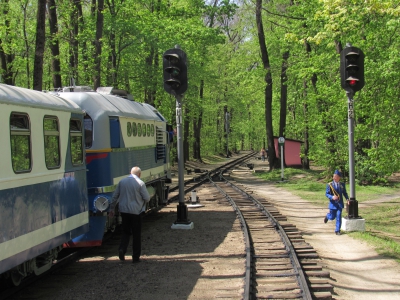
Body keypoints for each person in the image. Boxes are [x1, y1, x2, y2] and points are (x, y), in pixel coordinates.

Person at [111, 166, 150, 263]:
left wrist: (111, 208)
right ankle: (135, 257)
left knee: (126, 232)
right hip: (136, 212)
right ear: (139, 174)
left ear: (130, 172)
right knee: (136, 234)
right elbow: (147, 198)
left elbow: (115, 196)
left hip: (124, 211)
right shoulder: (140, 183)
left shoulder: (122, 182)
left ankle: (122, 249)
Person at [324, 170, 349, 235]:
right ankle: (327, 216)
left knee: (339, 215)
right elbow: (327, 194)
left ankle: (337, 230)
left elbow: (344, 193)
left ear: (339, 177)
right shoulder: (330, 185)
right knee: (332, 217)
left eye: (336, 176)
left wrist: (347, 199)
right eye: (334, 176)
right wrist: (332, 197)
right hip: (333, 204)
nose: (334, 177)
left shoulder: (342, 185)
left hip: (339, 204)